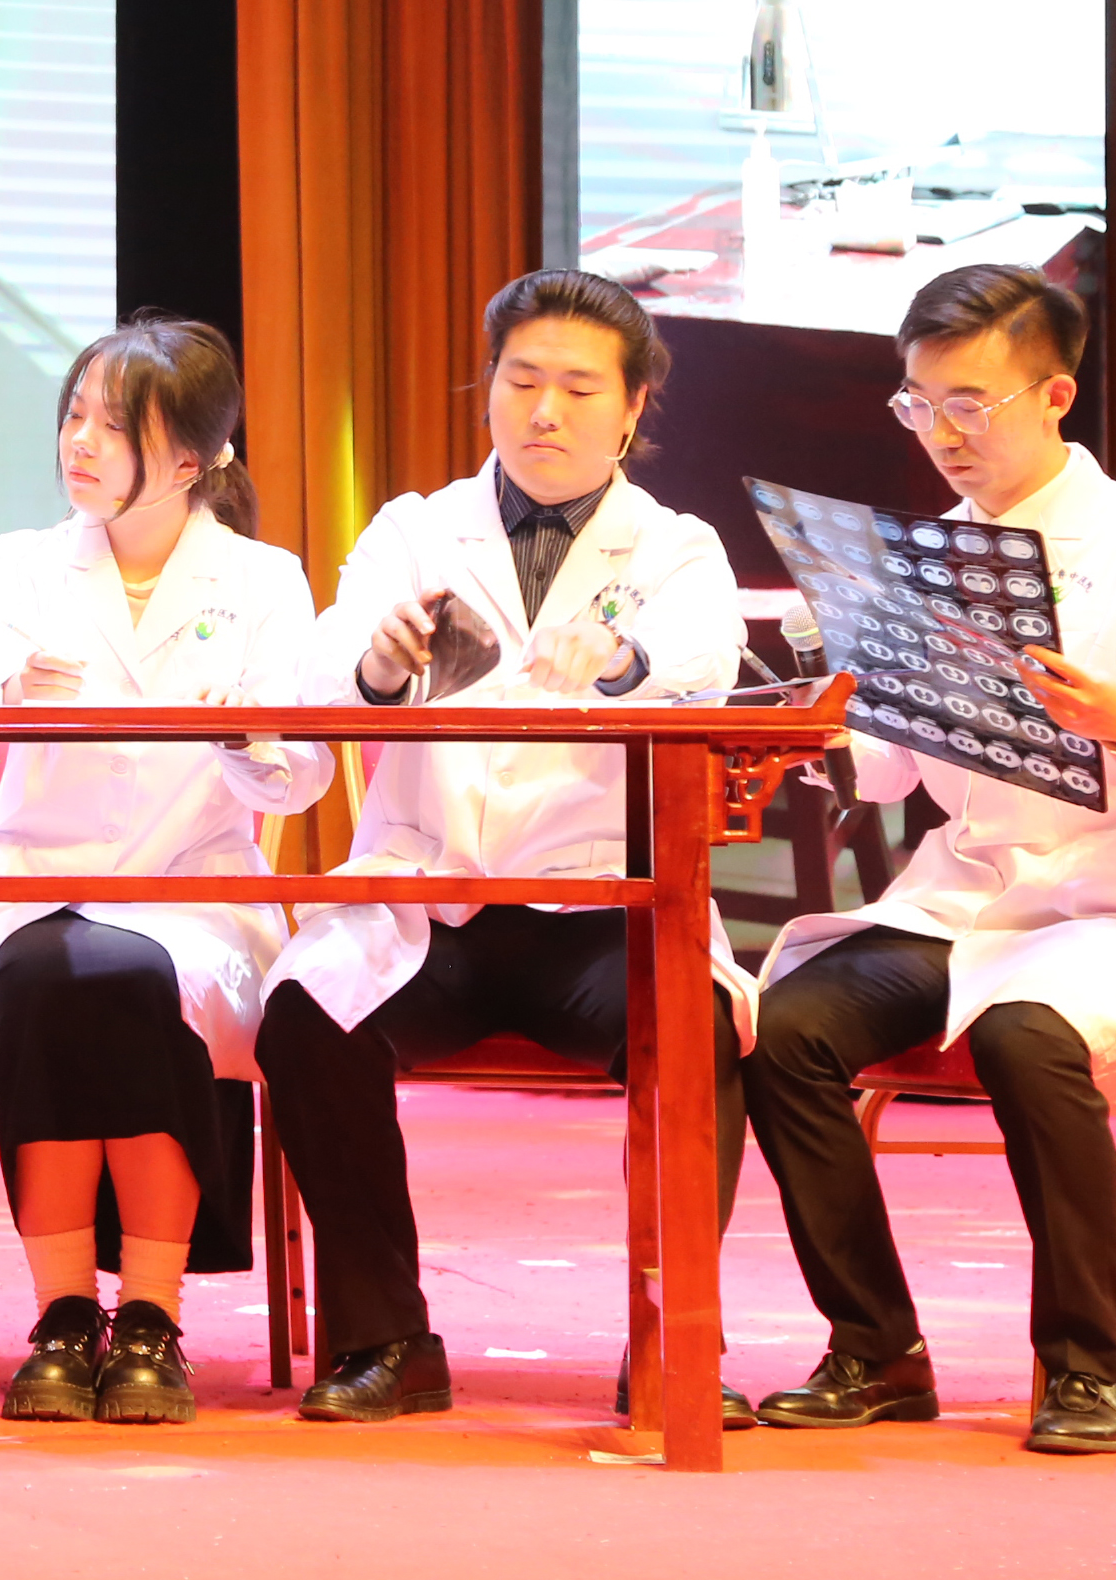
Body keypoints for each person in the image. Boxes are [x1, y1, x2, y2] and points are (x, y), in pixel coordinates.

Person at [742, 263, 1116, 1456]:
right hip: (970, 898)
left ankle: (1085, 1367)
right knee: (784, 1028)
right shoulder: (928, 556)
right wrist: (834, 715)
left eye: (970, 404)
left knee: (1027, 1029)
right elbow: (888, 774)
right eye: (918, 403)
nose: (942, 432)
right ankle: (876, 1347)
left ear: (1056, 394)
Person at [254, 268, 754, 1426]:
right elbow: (324, 677)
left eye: (579, 388)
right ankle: (386, 1339)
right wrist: (378, 663)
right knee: (305, 1017)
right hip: (431, 899)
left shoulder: (675, 548)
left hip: (599, 904)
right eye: (522, 381)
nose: (544, 412)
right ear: (488, 388)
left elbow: (708, 667)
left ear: (633, 406)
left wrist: (623, 663)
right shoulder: (415, 530)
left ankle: (673, 1339)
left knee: (694, 1020)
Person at [0, 316, 328, 1427]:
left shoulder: (263, 580)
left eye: (117, 427)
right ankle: (64, 1314)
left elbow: (302, 775)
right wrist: (12, 691)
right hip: (29, 883)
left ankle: (150, 1317)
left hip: (192, 891)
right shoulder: (20, 563)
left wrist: (245, 738)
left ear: (193, 459)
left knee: (130, 977)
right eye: (75, 415)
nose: (81, 443)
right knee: (44, 976)